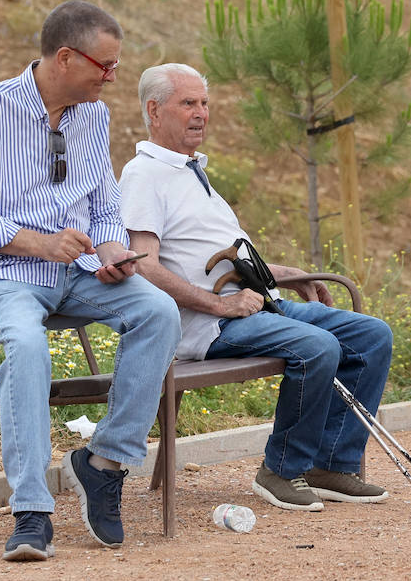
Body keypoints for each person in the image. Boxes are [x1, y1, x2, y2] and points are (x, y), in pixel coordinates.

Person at [0, 0, 180, 561]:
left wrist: (113, 251)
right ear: (66, 58)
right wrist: (40, 243)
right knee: (26, 345)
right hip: (8, 274)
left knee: (159, 312)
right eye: (106, 65)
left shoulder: (92, 116)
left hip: (78, 273)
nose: (113, 77)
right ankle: (31, 513)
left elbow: (103, 207)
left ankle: (104, 463)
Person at [118, 62, 394, 512]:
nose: (201, 113)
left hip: (256, 307)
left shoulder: (191, 171)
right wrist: (218, 306)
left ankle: (329, 465)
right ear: (154, 110)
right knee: (317, 346)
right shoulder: (144, 174)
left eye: (204, 103)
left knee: (371, 335)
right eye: (188, 103)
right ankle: (281, 470)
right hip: (209, 327)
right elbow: (143, 265)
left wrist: (292, 275)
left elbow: (234, 258)